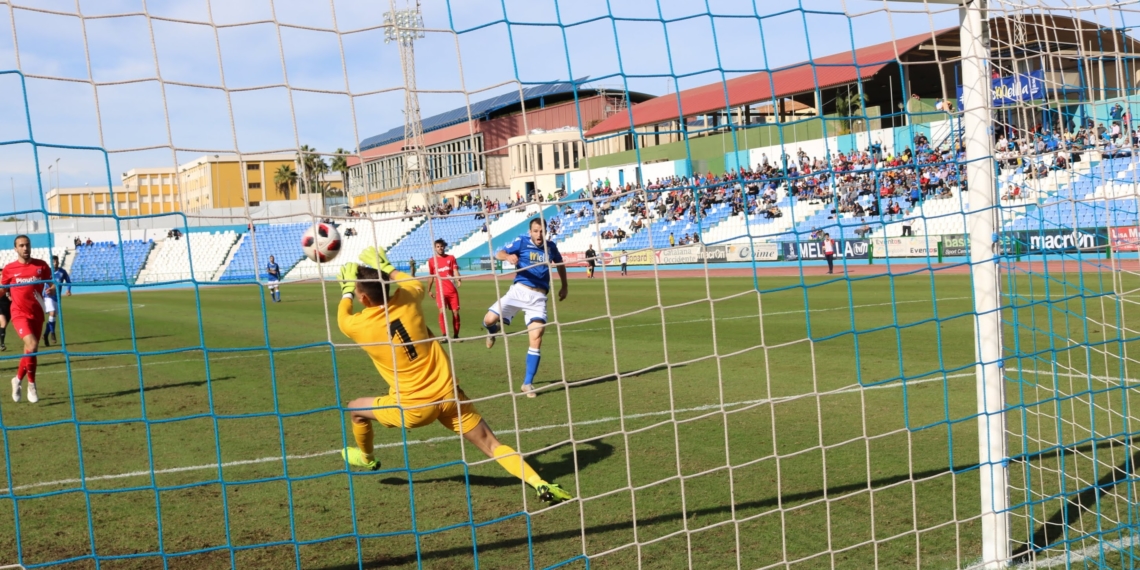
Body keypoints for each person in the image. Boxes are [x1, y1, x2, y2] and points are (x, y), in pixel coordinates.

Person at [335, 246, 571, 504]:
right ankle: (539, 483)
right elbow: (411, 283)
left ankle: (367, 459)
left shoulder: (355, 326)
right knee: (492, 445)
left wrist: (347, 289)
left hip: (414, 408)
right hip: (450, 397)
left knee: (354, 409)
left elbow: (343, 312)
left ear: (364, 299)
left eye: (359, 294)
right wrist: (388, 267)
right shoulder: (409, 297)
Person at [482, 218, 569, 399]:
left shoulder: (551, 247)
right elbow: (499, 253)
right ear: (530, 232)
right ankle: (492, 331)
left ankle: (527, 383)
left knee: (536, 337)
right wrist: (508, 256)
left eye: (541, 231)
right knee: (488, 320)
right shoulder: (521, 242)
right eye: (535, 231)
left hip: (538, 298)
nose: (539, 234)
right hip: (518, 292)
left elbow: (560, 265)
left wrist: (564, 286)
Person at [3, 235, 50, 403]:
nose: (25, 248)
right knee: (32, 345)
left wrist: (51, 289)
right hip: (18, 313)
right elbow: (2, 289)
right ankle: (31, 384)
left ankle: (17, 380)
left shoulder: (41, 266)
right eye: (21, 245)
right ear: (15, 249)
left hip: (37, 313)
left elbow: (51, 284)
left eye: (27, 245)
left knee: (30, 351)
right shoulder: (9, 269)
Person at [427, 239, 461, 340]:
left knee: (455, 312)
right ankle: (444, 335)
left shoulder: (451, 258)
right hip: (440, 292)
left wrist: (458, 278)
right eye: (438, 246)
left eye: (441, 246)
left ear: (444, 247)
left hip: (452, 291)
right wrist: (428, 289)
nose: (440, 248)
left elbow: (455, 270)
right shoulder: (431, 261)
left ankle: (456, 336)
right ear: (435, 248)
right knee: (442, 311)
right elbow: (431, 276)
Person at [42, 255, 70, 346]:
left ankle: (46, 335)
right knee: (52, 313)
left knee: (52, 318)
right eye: (53, 262)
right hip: (48, 296)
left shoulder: (62, 272)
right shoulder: (47, 272)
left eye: (56, 261)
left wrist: (68, 289)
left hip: (57, 297)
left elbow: (68, 281)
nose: (55, 263)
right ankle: (53, 333)